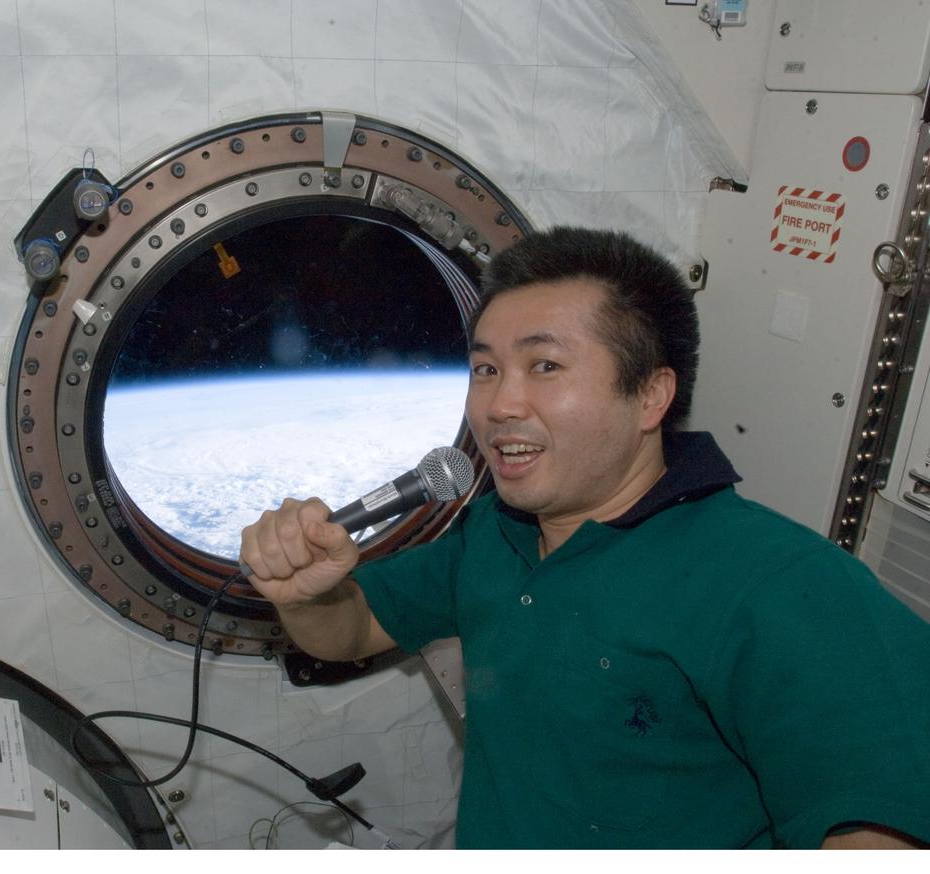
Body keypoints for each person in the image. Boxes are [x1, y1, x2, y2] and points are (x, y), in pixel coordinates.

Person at [239, 226, 930, 849]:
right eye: (486, 369)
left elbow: (883, 830)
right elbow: (354, 630)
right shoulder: (496, 531)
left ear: (652, 397)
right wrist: (305, 599)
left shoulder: (781, 581)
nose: (500, 405)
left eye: (545, 366)